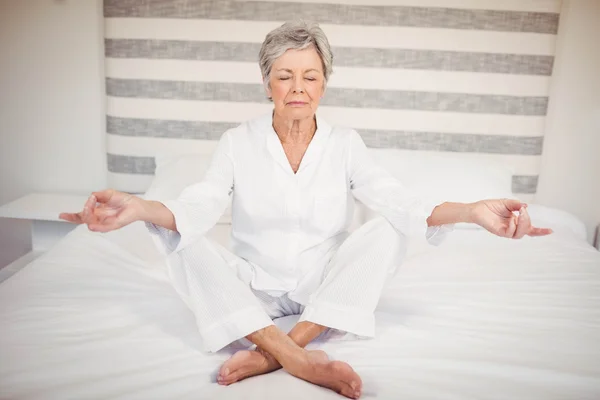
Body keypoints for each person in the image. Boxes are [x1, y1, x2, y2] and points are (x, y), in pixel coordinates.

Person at [60, 20, 553, 400]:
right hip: (254, 290)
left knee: (388, 229)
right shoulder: (237, 142)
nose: (298, 86)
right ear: (266, 82)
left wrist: (472, 210)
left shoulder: (346, 145)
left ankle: (273, 351)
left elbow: (402, 203)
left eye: (310, 75)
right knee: (182, 241)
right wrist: (140, 206)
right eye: (285, 75)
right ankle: (299, 359)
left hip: (324, 297)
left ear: (324, 83)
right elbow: (199, 204)